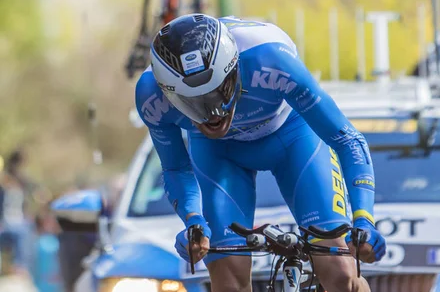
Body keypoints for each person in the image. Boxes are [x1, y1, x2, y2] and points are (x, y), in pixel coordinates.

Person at [135, 15, 386, 292]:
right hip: (220, 155)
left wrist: (364, 219)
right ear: (167, 92)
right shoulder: (150, 95)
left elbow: (347, 139)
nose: (211, 115)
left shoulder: (270, 58)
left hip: (292, 136)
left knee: (340, 276)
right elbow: (175, 168)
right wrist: (194, 221)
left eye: (217, 94)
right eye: (191, 104)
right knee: (228, 281)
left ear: (234, 69)